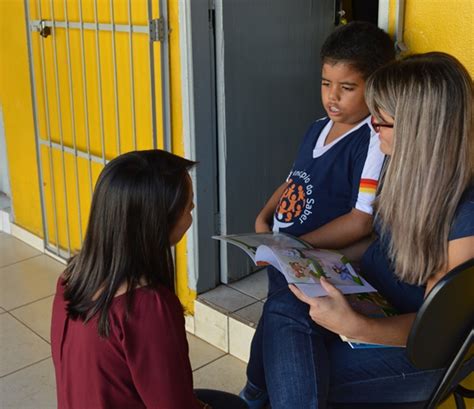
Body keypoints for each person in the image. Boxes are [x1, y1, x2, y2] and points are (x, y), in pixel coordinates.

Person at [267, 52, 474, 408]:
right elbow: (382, 244)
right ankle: (256, 397)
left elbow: (438, 335)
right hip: (375, 300)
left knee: (298, 375)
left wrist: (355, 326)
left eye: (381, 122)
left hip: (415, 349)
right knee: (285, 303)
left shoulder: (465, 214)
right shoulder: (403, 171)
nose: (372, 130)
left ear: (419, 131)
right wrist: (309, 260)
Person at [241, 21, 395, 408]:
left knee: (293, 328)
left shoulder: (373, 141)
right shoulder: (316, 128)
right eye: (326, 83)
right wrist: (265, 217)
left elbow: (362, 220)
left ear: (375, 86)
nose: (332, 97)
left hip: (311, 260)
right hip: (286, 253)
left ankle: (259, 393)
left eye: (347, 87)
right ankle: (255, 391)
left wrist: (293, 245)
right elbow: (293, 180)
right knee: (276, 319)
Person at [51, 150, 248, 409]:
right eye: (187, 207)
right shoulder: (145, 307)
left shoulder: (72, 275)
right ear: (157, 223)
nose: (192, 210)